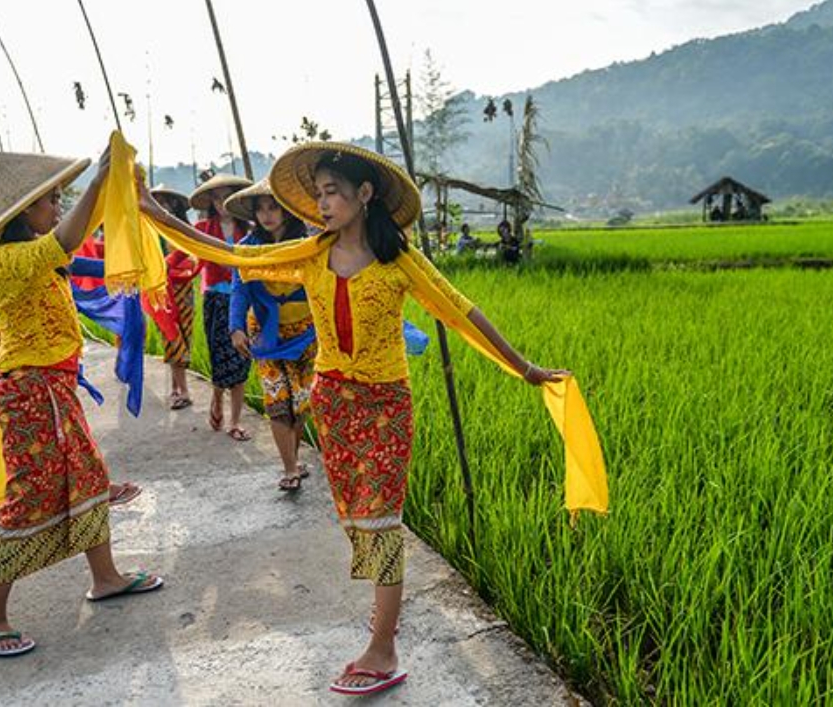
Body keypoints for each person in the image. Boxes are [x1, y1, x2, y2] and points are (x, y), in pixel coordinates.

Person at [139, 142, 566, 696]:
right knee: (356, 517)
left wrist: (524, 367)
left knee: (381, 521)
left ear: (364, 195)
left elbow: (460, 310)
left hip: (385, 405)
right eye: (317, 194)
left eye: (332, 192)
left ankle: (383, 647)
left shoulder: (398, 260)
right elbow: (238, 260)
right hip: (334, 405)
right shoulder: (310, 252)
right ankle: (383, 611)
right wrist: (155, 215)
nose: (322, 203)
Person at [0, 143, 163, 658]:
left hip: (52, 391)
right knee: (29, 497)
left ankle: (106, 577)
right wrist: (98, 180)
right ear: (22, 211)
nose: (56, 207)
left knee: (90, 476)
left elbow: (73, 231)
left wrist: (115, 178)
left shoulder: (31, 255)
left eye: (57, 200)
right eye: (50, 199)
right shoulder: (9, 260)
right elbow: (67, 237)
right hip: (31, 394)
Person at [225, 180, 317, 491]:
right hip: (264, 335)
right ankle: (289, 467)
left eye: (273, 207)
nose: (267, 215)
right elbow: (239, 289)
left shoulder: (307, 245)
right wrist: (236, 327)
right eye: (261, 209)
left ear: (287, 210)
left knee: (303, 402)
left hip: (305, 332)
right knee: (277, 399)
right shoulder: (248, 248)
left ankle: (293, 455)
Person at [189, 173, 254, 440]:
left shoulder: (249, 231)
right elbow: (185, 250)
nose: (221, 202)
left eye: (226, 196)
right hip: (215, 300)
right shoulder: (203, 228)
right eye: (216, 197)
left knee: (241, 359)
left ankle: (235, 421)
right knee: (219, 356)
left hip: (242, 300)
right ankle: (217, 396)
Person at [152, 185, 199, 410]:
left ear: (173, 205)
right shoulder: (150, 231)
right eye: (156, 201)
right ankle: (183, 391)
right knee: (171, 337)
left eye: (164, 201)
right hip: (160, 291)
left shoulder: (179, 229)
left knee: (183, 336)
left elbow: (189, 250)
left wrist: (167, 264)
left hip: (183, 289)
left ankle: (177, 386)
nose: (160, 205)